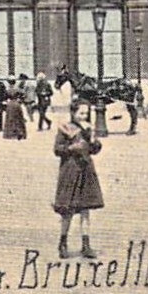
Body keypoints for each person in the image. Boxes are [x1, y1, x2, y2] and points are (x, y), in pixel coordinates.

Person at [52, 100, 104, 259]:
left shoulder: (87, 129)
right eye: (81, 113)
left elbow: (93, 150)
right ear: (73, 113)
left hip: (86, 171)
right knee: (67, 211)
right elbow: (57, 149)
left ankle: (86, 245)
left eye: (86, 113)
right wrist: (71, 148)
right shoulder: (66, 129)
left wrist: (95, 143)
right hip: (70, 172)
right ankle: (62, 242)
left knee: (85, 210)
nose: (84, 116)